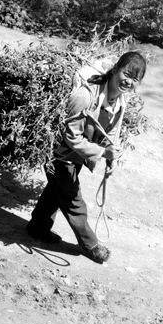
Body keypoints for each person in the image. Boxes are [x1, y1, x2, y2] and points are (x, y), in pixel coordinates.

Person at [26, 51, 147, 264]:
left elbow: (112, 133)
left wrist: (111, 157)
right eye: (126, 74)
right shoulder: (85, 96)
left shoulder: (120, 100)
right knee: (73, 200)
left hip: (77, 156)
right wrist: (102, 152)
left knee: (56, 191)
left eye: (135, 79)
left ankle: (37, 227)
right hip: (59, 154)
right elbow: (70, 137)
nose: (128, 82)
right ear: (115, 69)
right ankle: (90, 245)